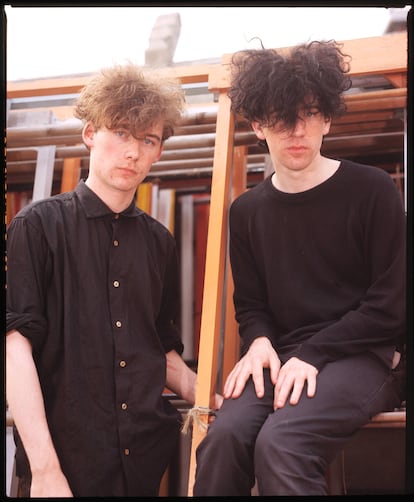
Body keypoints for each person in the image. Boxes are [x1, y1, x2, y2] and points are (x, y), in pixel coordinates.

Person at [193, 40, 406, 496]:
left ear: (327, 117)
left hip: (366, 356)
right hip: (286, 357)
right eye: (279, 116)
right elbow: (251, 305)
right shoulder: (247, 211)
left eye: (309, 113)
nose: (296, 129)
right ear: (257, 125)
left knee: (283, 442)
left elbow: (391, 306)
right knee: (223, 439)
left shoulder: (373, 191)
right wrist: (261, 342)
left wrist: (314, 353)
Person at [6, 63, 222, 498]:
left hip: (142, 462)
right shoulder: (36, 226)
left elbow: (159, 352)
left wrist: (218, 400)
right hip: (65, 464)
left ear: (159, 150)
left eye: (147, 139)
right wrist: (47, 472)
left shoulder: (159, 242)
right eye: (121, 133)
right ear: (90, 133)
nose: (133, 152)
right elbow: (14, 350)